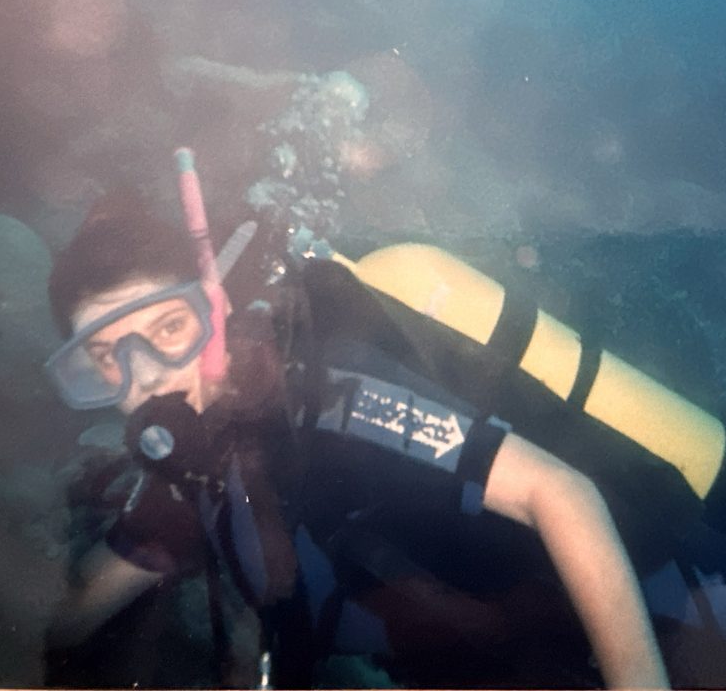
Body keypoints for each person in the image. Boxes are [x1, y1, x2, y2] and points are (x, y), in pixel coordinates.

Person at [42, 194, 672, 690]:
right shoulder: (188, 474)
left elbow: (557, 490)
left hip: (617, 624)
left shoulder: (327, 394)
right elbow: (74, 614)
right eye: (106, 358)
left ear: (213, 312)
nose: (147, 374)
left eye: (168, 328)